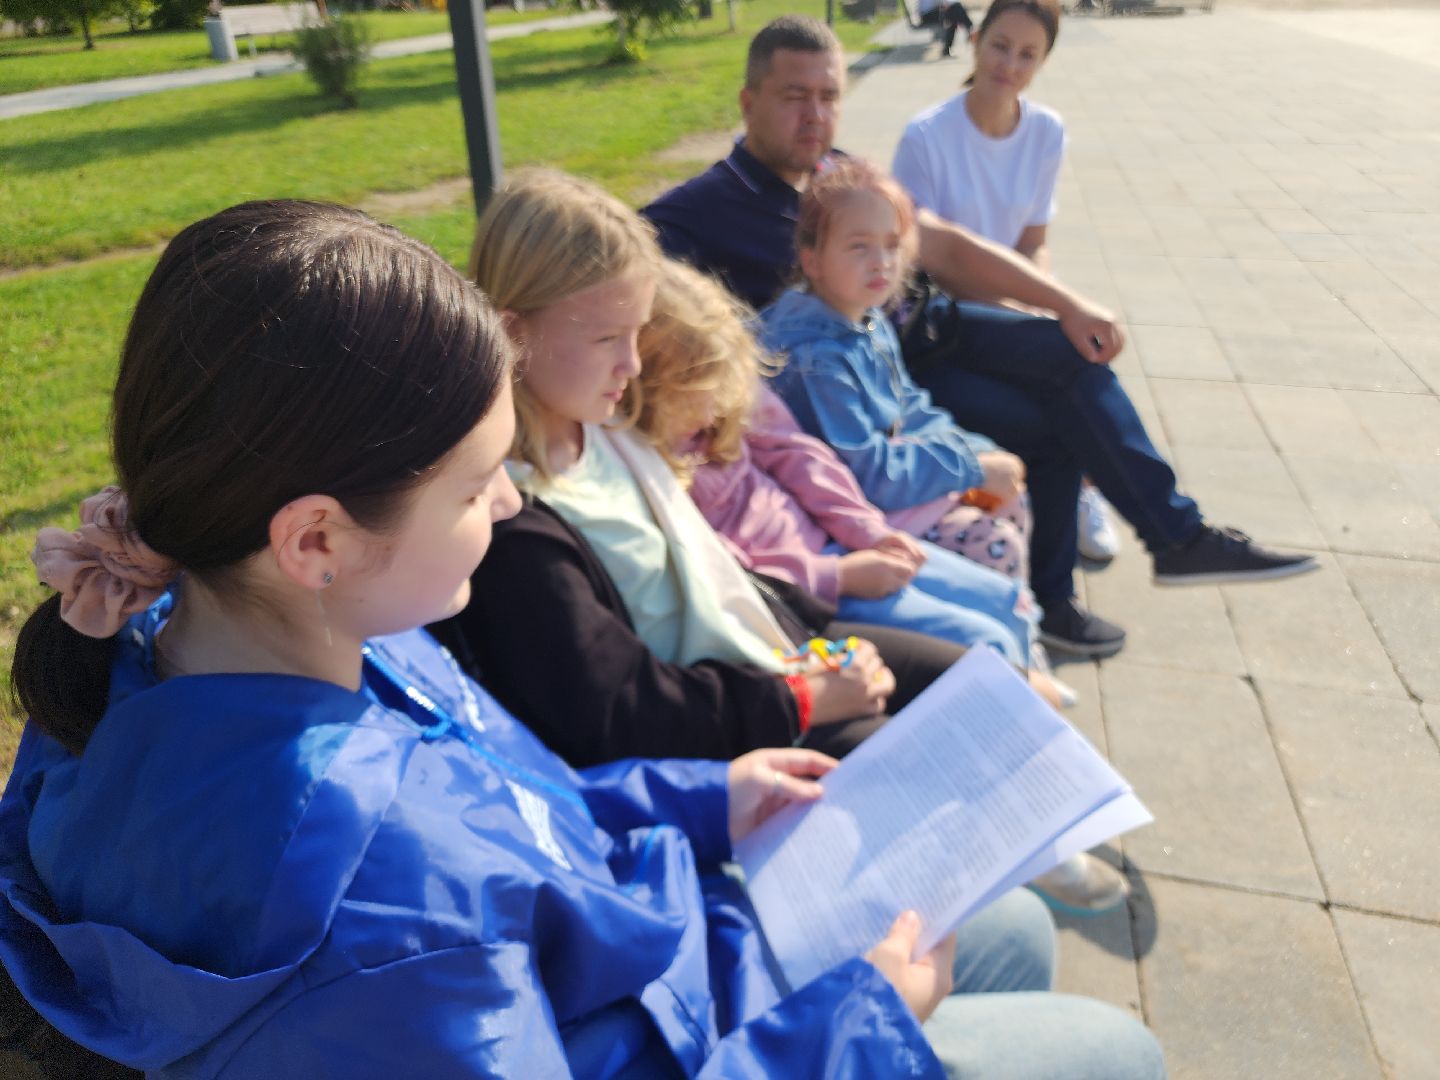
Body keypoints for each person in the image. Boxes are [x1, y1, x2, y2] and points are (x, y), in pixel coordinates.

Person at [0, 199, 1168, 1079]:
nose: (509, 505)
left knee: (1007, 920)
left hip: (659, 959)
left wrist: (710, 798)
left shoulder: (212, 647)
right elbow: (469, 889)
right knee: (1114, 1049)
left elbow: (513, 808)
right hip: (700, 1022)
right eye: (472, 486)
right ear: (315, 538)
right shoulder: (396, 912)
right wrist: (862, 1020)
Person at [642, 14, 1318, 658]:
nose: (815, 115)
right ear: (748, 100)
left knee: (1071, 348)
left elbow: (941, 245)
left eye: (829, 96)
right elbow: (632, 294)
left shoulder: (836, 171)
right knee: (1048, 433)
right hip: (872, 376)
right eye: (794, 97)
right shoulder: (692, 217)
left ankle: (1179, 536)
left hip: (925, 325)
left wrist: (1066, 301)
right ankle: (1053, 604)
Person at [434, 167, 980, 766]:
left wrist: (813, 643)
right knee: (930, 761)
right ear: (513, 333)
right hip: (721, 739)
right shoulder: (515, 521)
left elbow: (710, 570)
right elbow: (618, 712)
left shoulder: (602, 423)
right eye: (606, 339)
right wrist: (798, 698)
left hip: (766, 658)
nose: (633, 365)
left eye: (637, 334)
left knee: (975, 681)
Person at [633, 257, 1129, 912]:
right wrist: (840, 571)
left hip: (838, 549)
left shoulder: (719, 394)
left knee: (999, 599)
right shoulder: (652, 460)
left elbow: (798, 456)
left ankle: (1039, 780)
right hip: (807, 593)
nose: (714, 407)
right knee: (974, 646)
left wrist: (865, 530)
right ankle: (1034, 835)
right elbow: (726, 571)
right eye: (694, 393)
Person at [891, 0, 1120, 564]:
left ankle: (1086, 490)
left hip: (1017, 299)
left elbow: (1034, 239)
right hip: (946, 317)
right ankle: (1072, 488)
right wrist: (1025, 313)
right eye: (1000, 46)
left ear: (1042, 62)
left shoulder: (1046, 130)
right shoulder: (926, 137)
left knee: (1083, 350)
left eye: (1027, 55)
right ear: (975, 41)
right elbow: (931, 264)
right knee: (1054, 377)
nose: (1009, 65)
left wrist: (1040, 300)